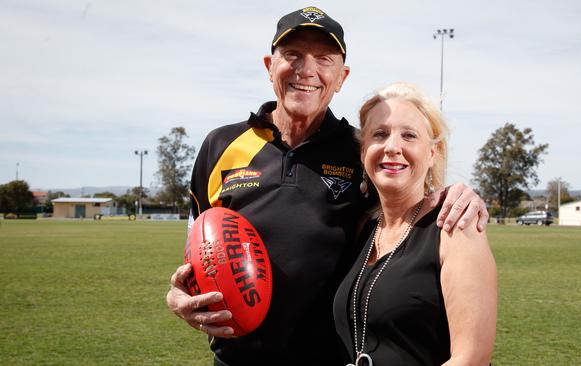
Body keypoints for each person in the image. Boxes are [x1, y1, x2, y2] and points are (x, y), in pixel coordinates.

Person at [166, 6, 489, 366]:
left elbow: (406, 197)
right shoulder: (220, 145)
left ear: (341, 77)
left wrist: (460, 194)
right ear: (269, 66)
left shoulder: (361, 151)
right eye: (292, 55)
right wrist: (179, 295)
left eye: (324, 59)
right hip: (234, 359)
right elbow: (197, 246)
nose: (307, 70)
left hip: (328, 358)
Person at [333, 82, 497, 366]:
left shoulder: (455, 229)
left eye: (409, 135)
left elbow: (471, 359)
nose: (392, 147)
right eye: (380, 134)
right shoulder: (363, 229)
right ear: (363, 151)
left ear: (433, 153)